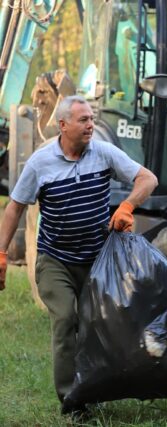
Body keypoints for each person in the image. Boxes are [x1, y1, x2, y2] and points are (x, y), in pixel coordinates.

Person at [0, 95, 158, 415]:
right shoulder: (40, 163)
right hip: (54, 260)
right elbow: (15, 206)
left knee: (95, 325)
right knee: (65, 320)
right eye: (84, 120)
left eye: (92, 119)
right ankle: (72, 401)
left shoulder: (103, 153)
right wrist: (1, 254)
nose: (91, 125)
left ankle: (95, 386)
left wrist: (127, 206)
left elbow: (148, 178)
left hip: (96, 260)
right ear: (63, 125)